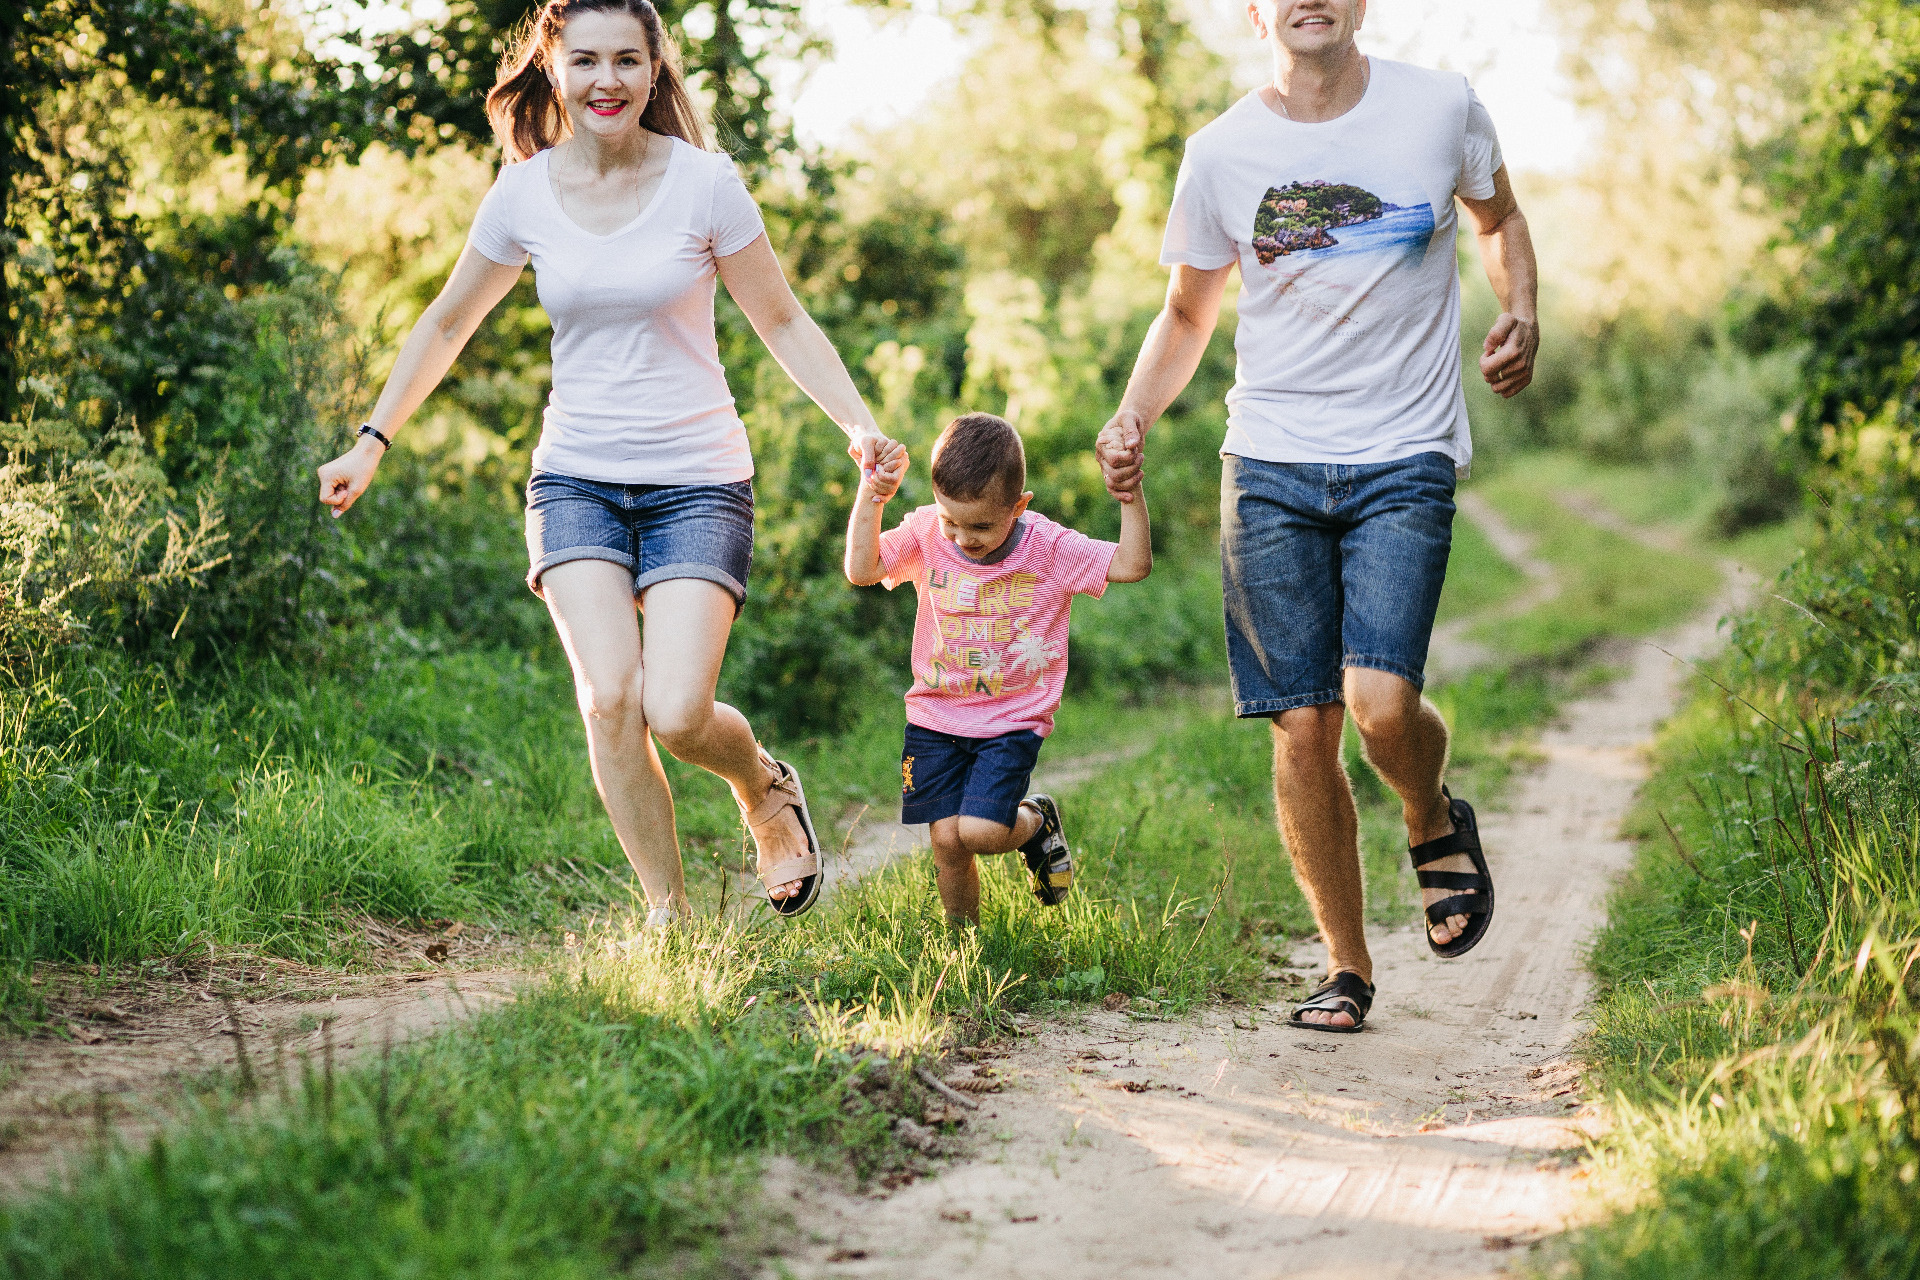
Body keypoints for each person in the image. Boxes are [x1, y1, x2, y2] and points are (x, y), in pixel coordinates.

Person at [316, 0, 905, 925]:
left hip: (699, 480)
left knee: (676, 712)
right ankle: (671, 922)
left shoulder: (706, 185)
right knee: (608, 698)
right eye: (586, 60)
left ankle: (761, 786)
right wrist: (371, 439)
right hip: (576, 480)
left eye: (627, 60)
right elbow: (446, 321)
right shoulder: (523, 192)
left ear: (655, 65)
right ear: (553, 66)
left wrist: (858, 424)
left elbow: (781, 318)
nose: (607, 81)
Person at [1096, 0, 1539, 1031]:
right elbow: (1188, 308)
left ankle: (1430, 814)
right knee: (1303, 723)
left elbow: (1498, 220)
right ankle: (1347, 966)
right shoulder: (1221, 151)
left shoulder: (1440, 106)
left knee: (1381, 703)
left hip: (1405, 453)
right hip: (1270, 467)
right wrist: (1132, 412)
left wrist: (1520, 307)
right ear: (1255, 10)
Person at [844, 413, 1152, 925]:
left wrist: (1129, 497)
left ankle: (1035, 821)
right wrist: (871, 496)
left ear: (1019, 506)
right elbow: (863, 568)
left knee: (981, 833)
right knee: (946, 840)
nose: (963, 538)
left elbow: (1132, 564)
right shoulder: (926, 531)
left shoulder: (1048, 548)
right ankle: (965, 947)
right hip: (935, 718)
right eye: (952, 521)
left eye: (982, 525)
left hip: (1011, 720)